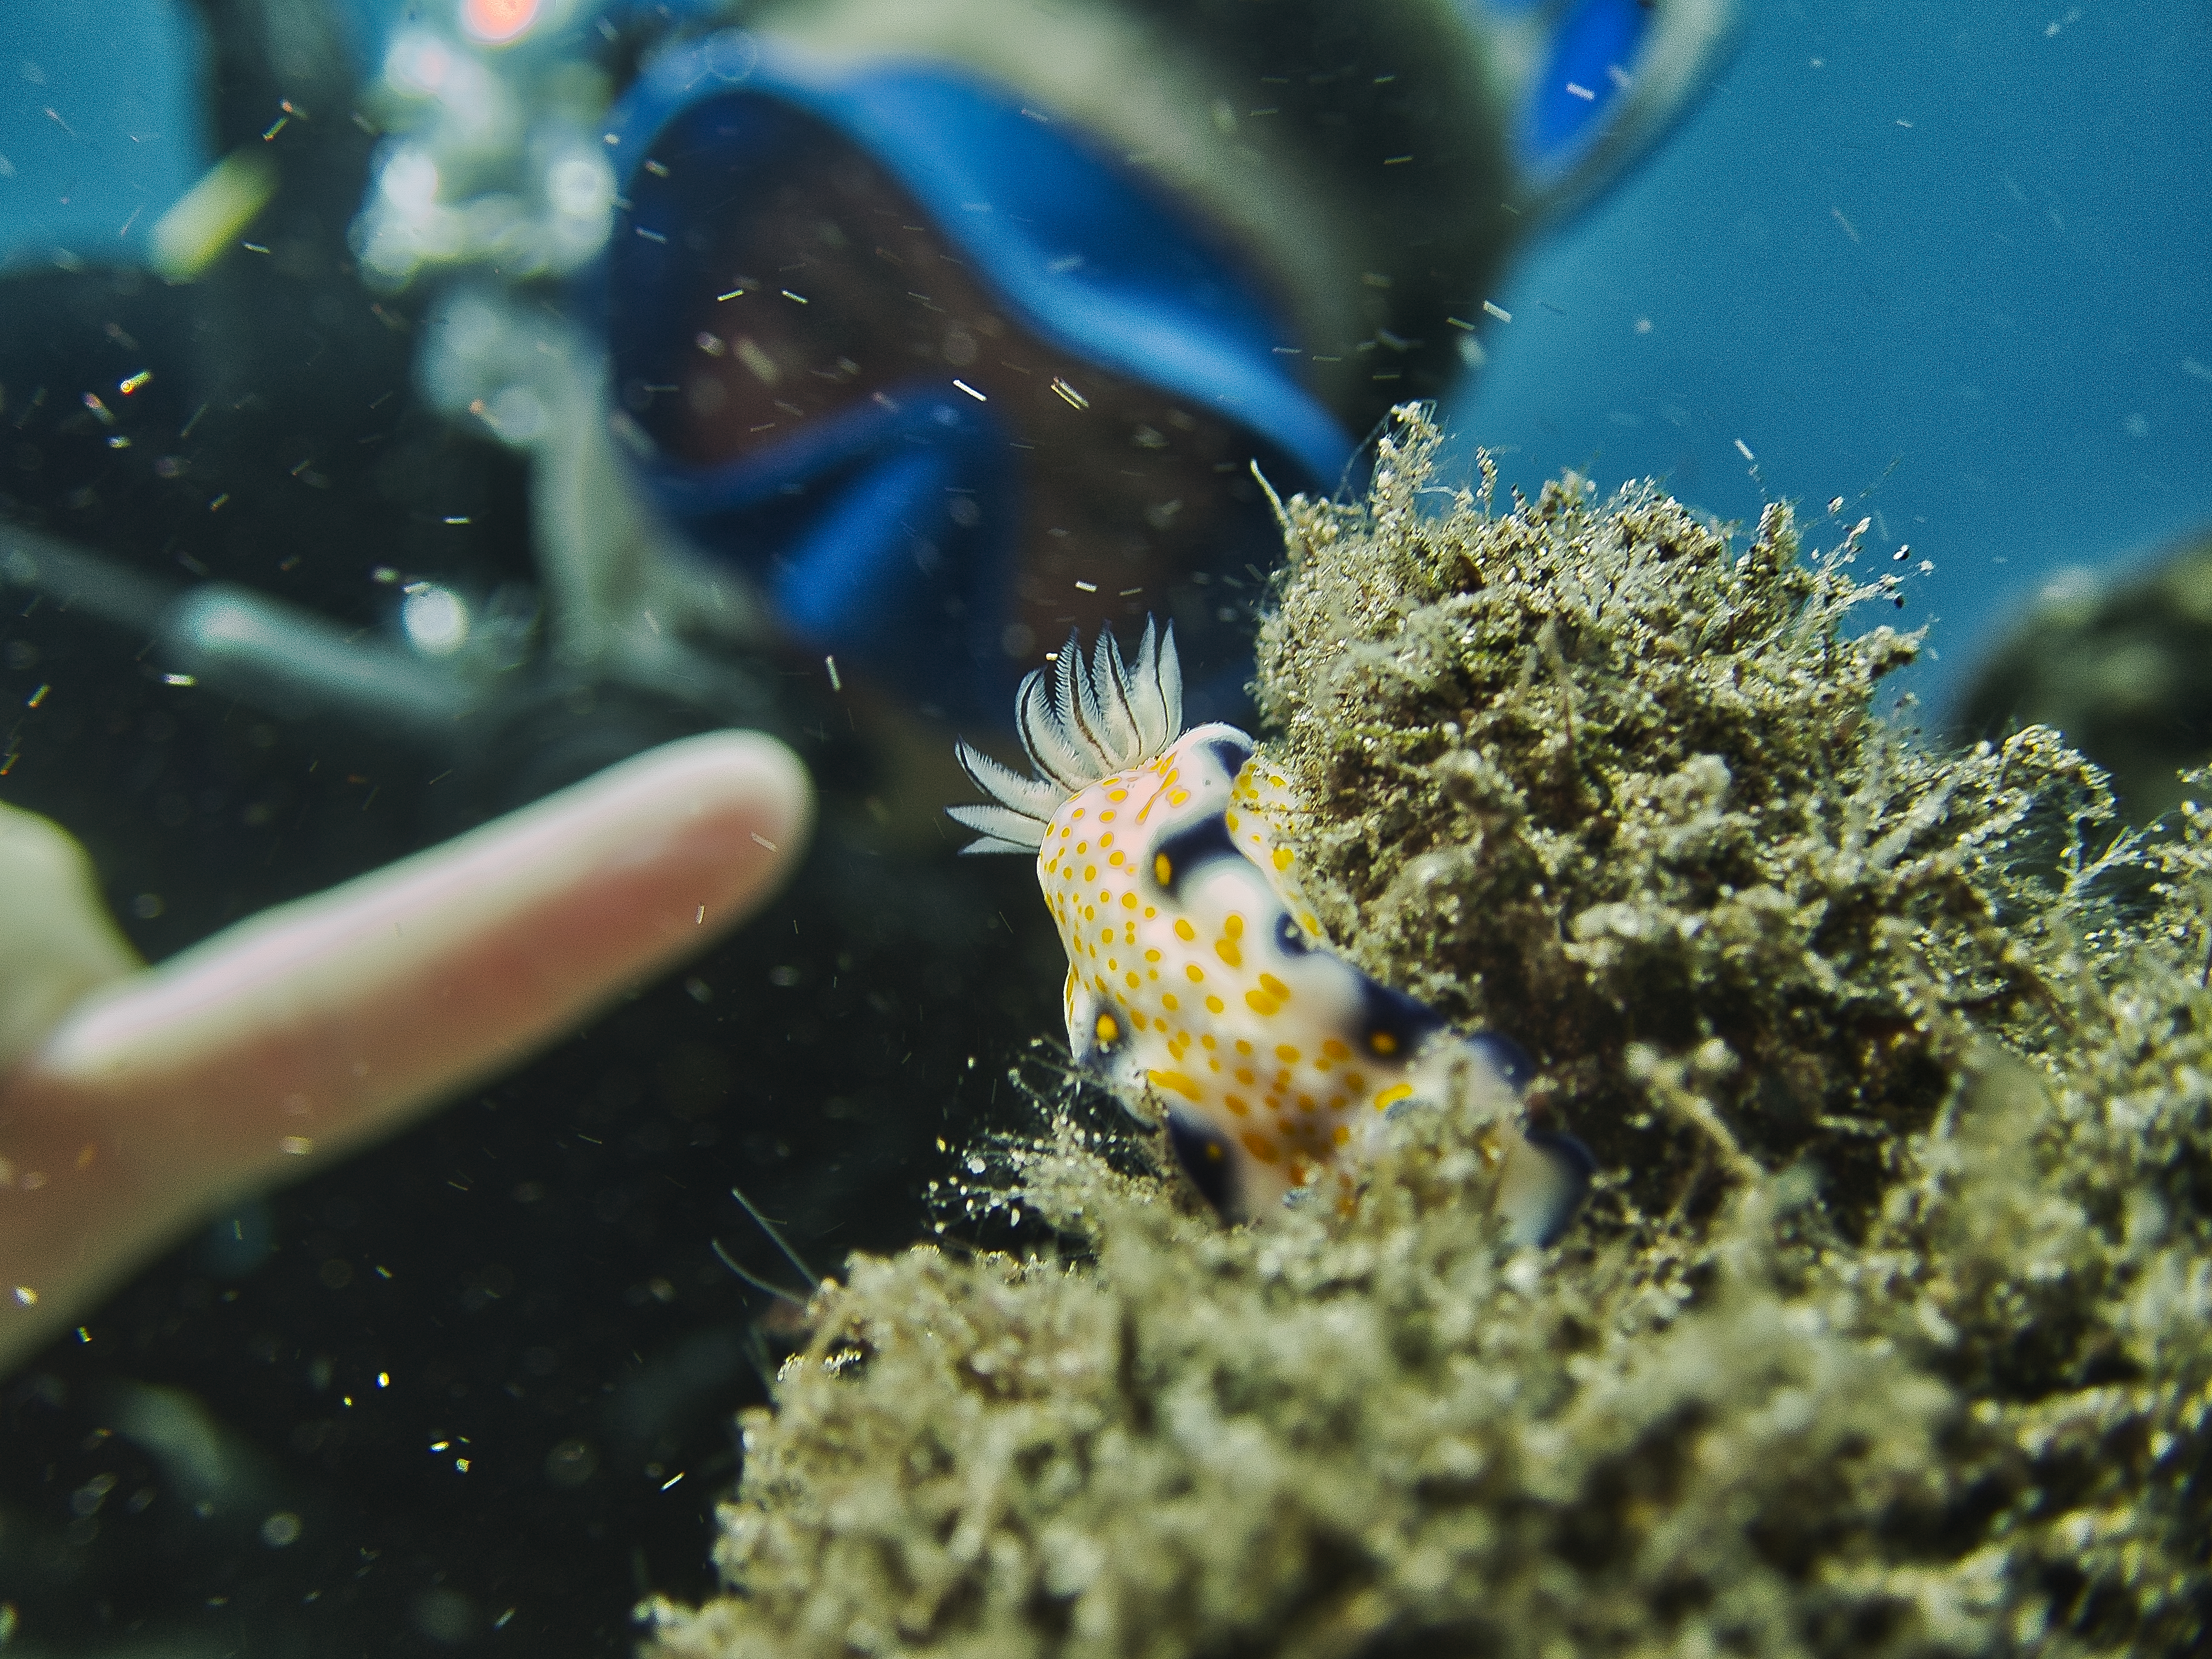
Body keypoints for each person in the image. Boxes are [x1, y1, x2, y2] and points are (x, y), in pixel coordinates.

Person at [0, 0, 1735, 1372]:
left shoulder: (1189, 1117)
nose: (854, 565)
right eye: (811, 310)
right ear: (606, 230)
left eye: (1115, 488)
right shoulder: (105, 471)